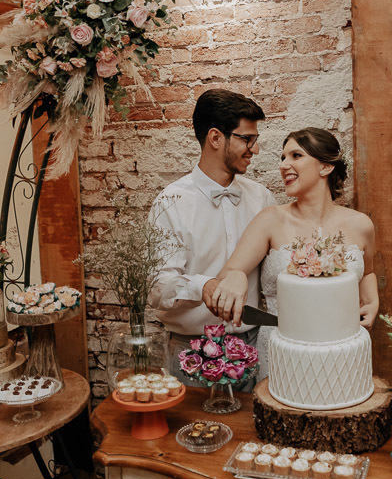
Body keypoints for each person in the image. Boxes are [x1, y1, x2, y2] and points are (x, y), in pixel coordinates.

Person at [206, 127, 378, 379]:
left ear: (326, 167)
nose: (284, 165)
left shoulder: (361, 225)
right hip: (281, 350)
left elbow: (368, 272)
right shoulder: (271, 220)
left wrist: (373, 302)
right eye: (283, 158)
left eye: (296, 156)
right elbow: (229, 272)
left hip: (341, 350)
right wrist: (236, 276)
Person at [148, 89, 276, 389]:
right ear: (216, 138)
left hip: (254, 348)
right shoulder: (171, 202)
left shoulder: (262, 198)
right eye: (247, 139)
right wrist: (203, 285)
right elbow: (157, 286)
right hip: (189, 354)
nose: (254, 149)